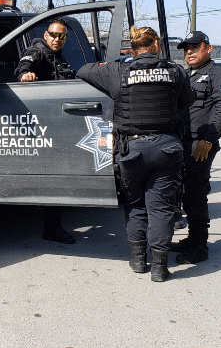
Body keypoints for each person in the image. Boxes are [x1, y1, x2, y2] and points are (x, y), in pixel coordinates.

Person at [77, 26, 194, 282]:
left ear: (132, 49)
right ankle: (160, 268)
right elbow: (188, 100)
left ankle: (139, 260)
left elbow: (83, 70)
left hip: (132, 150)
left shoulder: (118, 71)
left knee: (136, 205)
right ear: (156, 45)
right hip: (166, 148)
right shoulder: (175, 71)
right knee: (162, 209)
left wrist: (108, 65)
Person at [170, 31, 221, 264]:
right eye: (186, 49)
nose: (189, 52)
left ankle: (199, 247)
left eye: (195, 48)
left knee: (195, 195)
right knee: (184, 194)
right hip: (181, 142)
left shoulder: (219, 75)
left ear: (207, 48)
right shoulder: (187, 75)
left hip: (200, 144)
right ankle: (192, 239)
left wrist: (208, 140)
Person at [16, 19, 77, 244]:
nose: (56, 39)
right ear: (46, 34)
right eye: (53, 34)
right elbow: (23, 67)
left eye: (61, 36)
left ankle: (54, 225)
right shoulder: (37, 51)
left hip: (57, 124)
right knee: (55, 176)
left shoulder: (57, 57)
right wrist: (25, 75)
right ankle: (52, 228)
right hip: (41, 125)